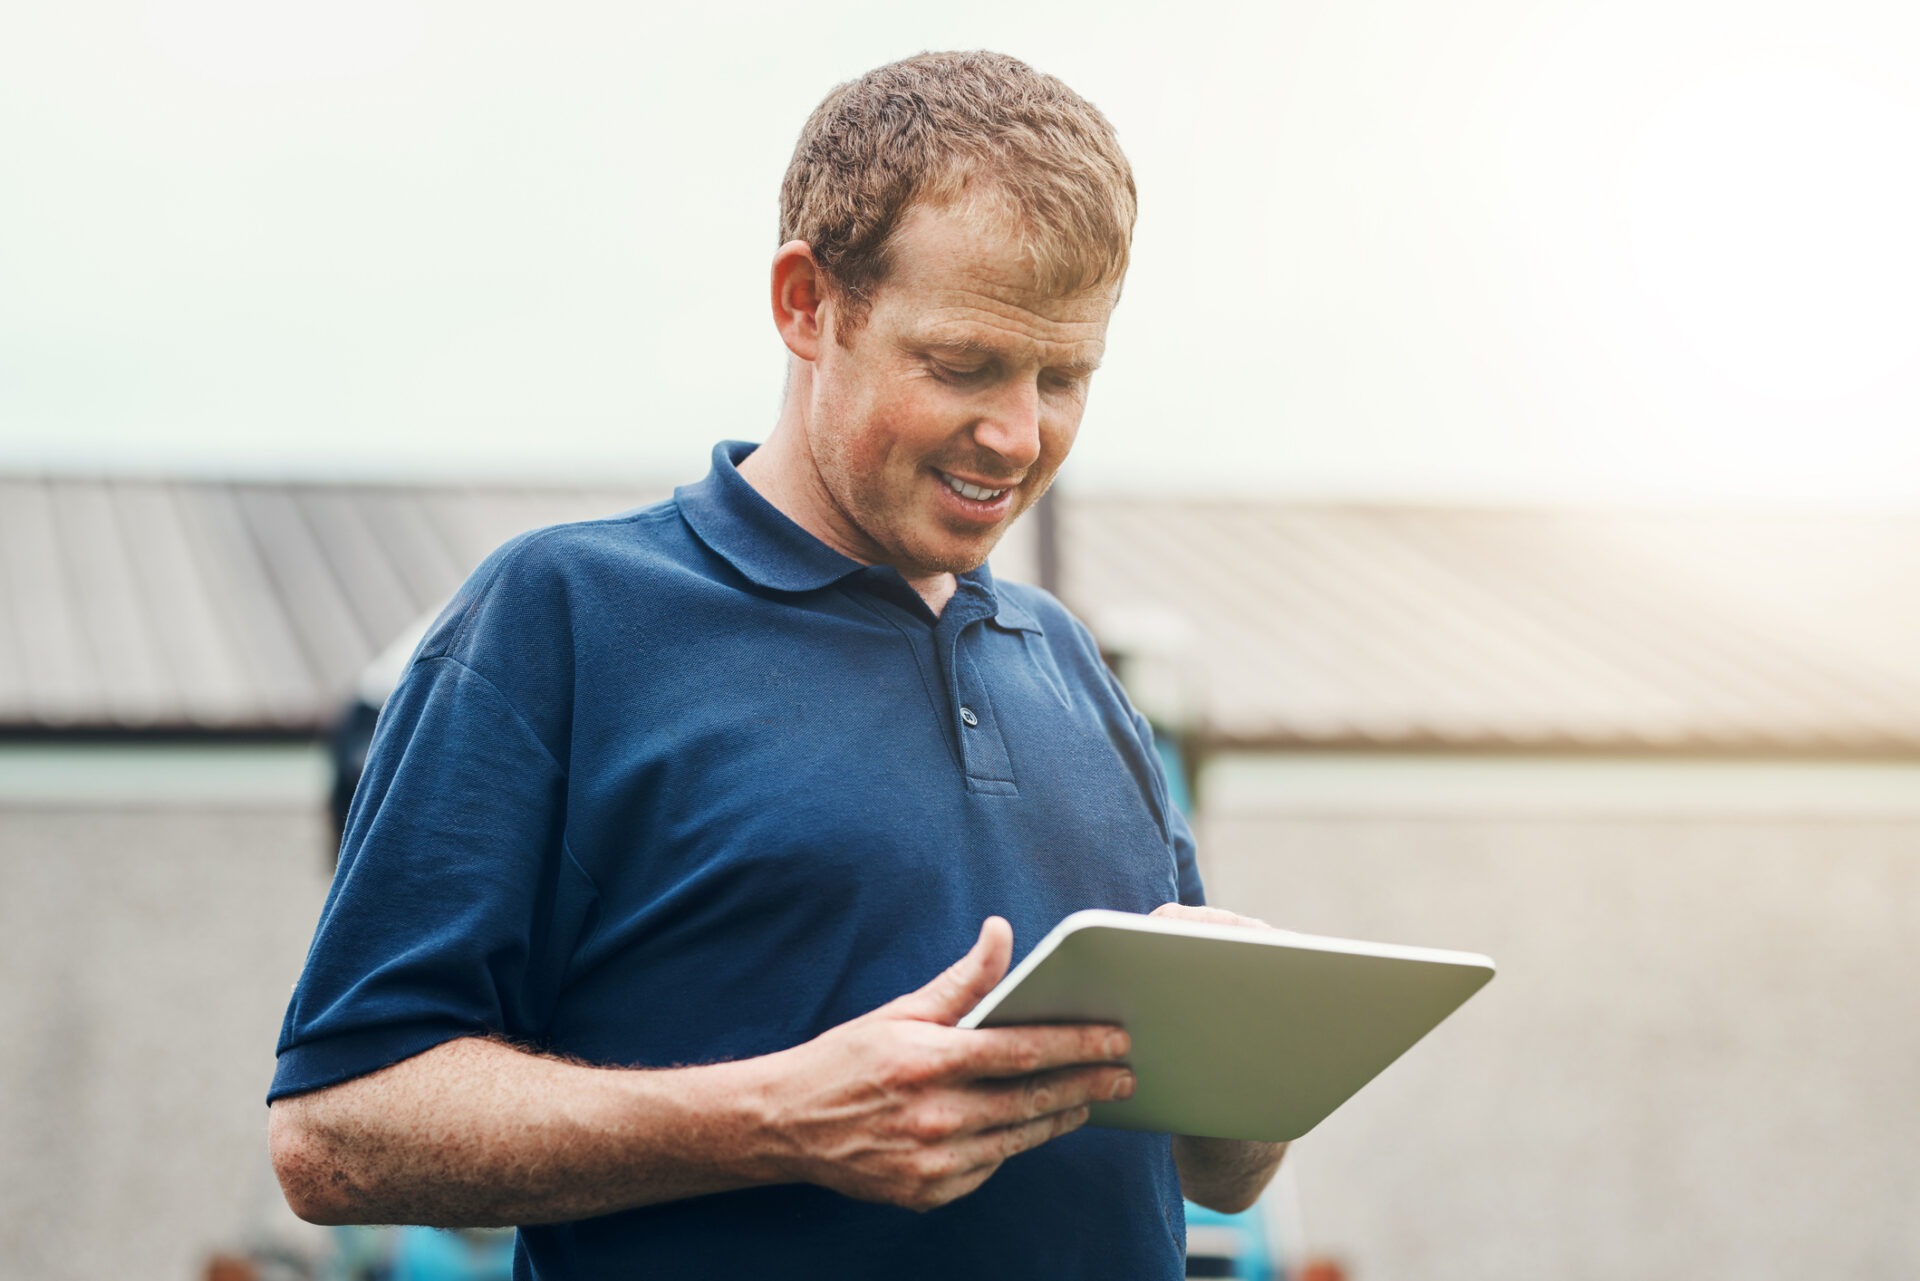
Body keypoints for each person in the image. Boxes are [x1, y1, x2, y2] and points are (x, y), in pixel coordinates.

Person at [267, 50, 1285, 1278]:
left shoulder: (1071, 662)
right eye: (963, 364)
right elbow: (336, 1134)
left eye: (1063, 377)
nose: (1019, 435)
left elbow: (1207, 1169)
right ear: (809, 304)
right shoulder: (566, 620)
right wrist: (780, 1119)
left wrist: (1249, 1078)